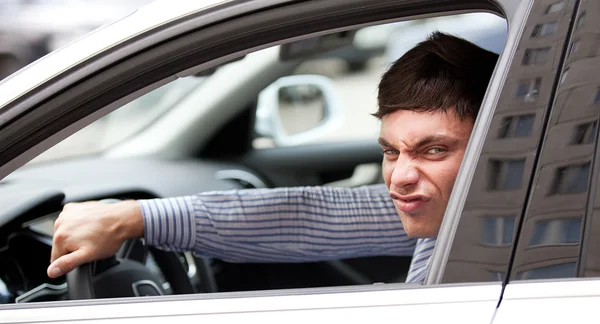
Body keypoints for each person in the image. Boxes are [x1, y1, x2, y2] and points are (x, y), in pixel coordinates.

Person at [47, 31, 499, 284]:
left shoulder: (519, 247)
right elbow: (314, 216)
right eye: (389, 151)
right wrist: (134, 218)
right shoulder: (468, 213)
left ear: (497, 141)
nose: (399, 177)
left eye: (433, 150)